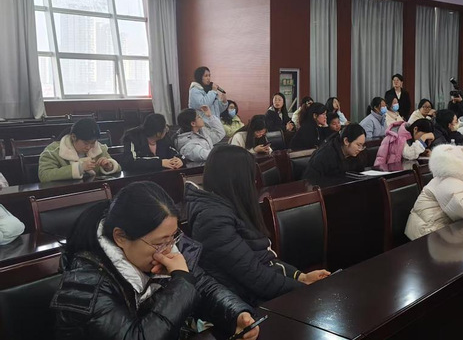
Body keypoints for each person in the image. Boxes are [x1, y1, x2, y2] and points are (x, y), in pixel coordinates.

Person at [52, 181, 259, 340]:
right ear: (120, 237)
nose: (168, 249)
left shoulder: (163, 245)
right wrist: (181, 282)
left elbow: (203, 285)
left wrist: (236, 313)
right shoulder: (87, 284)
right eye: (159, 243)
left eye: (173, 238)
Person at [186, 145, 330, 306]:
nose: (254, 182)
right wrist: (304, 289)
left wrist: (301, 277)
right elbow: (256, 278)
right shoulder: (212, 220)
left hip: (255, 296)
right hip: (244, 305)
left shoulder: (227, 207)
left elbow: (263, 257)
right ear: (235, 179)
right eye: (251, 177)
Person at [39, 118, 121, 183]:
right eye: (85, 143)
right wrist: (79, 168)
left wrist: (109, 166)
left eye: (92, 143)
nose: (89, 147)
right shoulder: (53, 151)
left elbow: (118, 168)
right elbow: (44, 175)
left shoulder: (99, 148)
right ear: (73, 137)